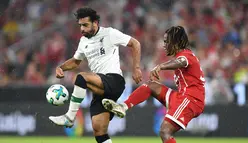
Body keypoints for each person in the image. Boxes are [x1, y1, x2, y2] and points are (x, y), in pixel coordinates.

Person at [49, 7, 142, 143]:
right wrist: (61, 67)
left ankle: (70, 117)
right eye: (80, 25)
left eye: (85, 25)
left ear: (95, 23)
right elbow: (76, 61)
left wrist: (136, 68)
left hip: (114, 80)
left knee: (81, 78)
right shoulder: (83, 41)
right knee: (99, 131)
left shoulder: (109, 33)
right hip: (100, 88)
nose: (82, 29)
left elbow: (135, 43)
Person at [102, 26, 205, 143]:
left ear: (175, 42)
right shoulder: (184, 55)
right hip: (182, 96)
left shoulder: (186, 55)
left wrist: (161, 66)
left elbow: (181, 61)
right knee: (151, 86)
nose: (164, 45)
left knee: (165, 131)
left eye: (167, 41)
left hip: (191, 100)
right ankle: (123, 107)